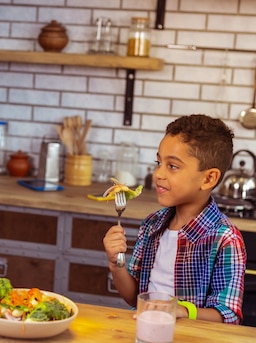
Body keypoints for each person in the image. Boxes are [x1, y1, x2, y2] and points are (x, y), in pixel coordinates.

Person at [103, 114, 246, 324]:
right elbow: (135, 298)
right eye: (158, 162)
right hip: (146, 331)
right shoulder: (152, 224)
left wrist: (181, 310)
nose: (158, 173)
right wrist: (117, 264)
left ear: (208, 178)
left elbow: (228, 314)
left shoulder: (225, 239)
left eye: (172, 166)